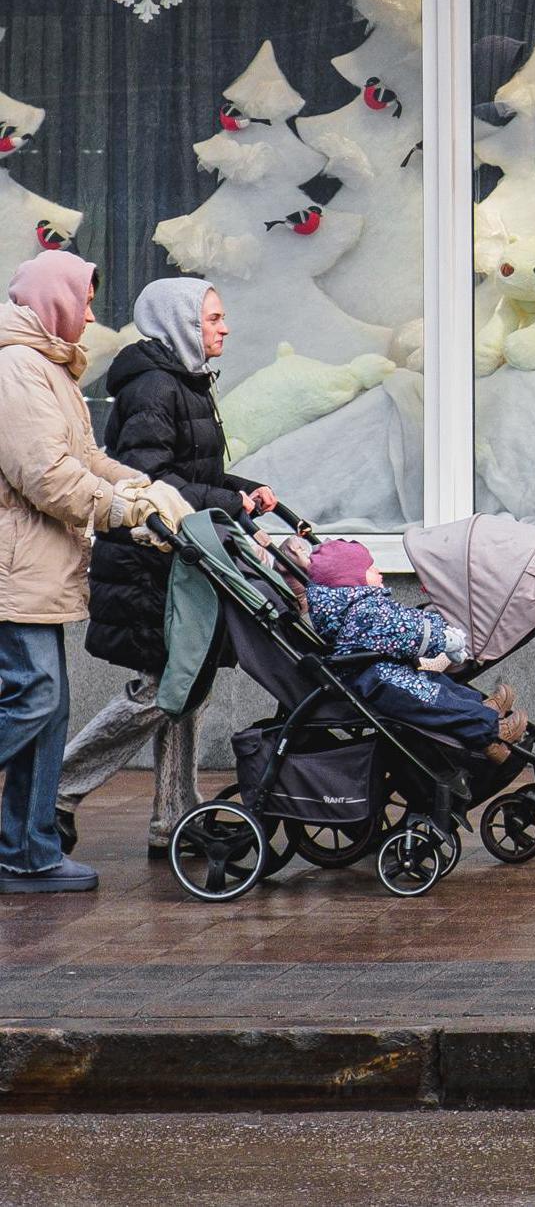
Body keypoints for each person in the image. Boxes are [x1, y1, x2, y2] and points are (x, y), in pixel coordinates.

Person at [56, 279, 277, 860]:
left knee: (187, 686)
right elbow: (148, 480)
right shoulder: (157, 385)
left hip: (176, 557)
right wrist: (228, 503)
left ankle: (172, 817)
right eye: (213, 318)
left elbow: (188, 469)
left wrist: (243, 490)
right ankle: (57, 789)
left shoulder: (187, 380)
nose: (223, 327)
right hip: (148, 561)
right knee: (164, 689)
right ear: (180, 322)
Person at [0, 252, 191, 893]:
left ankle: (27, 852)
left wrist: (140, 485)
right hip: (11, 570)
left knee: (48, 711)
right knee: (34, 699)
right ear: (55, 302)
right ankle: (24, 849)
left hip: (37, 571)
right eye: (83, 302)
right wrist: (125, 507)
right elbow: (47, 475)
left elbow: (85, 456)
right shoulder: (15, 368)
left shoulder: (48, 368)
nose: (90, 314)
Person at [303, 540, 525, 763]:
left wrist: (436, 624)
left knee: (439, 684)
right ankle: (491, 730)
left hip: (384, 672)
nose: (377, 570)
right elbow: (409, 630)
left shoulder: (356, 607)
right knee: (434, 700)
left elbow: (407, 620)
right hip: (380, 683)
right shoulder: (365, 611)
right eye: (370, 567)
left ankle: (480, 707)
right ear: (352, 581)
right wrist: (444, 638)